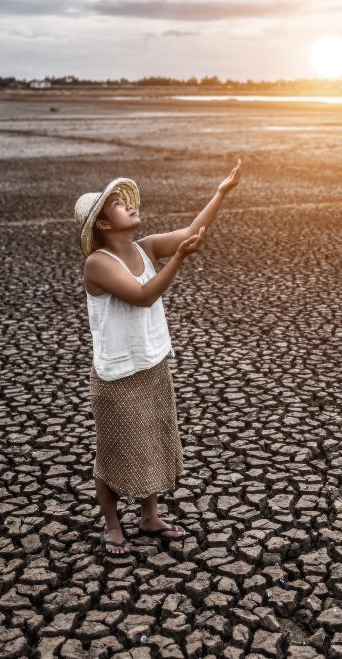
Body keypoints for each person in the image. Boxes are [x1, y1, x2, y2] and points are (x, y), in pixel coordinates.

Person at [74, 159, 243, 554]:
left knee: (153, 442)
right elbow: (144, 295)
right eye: (119, 205)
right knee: (113, 453)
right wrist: (179, 259)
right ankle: (113, 526)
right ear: (103, 224)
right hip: (117, 375)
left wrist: (221, 192)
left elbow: (191, 231)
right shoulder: (98, 263)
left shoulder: (144, 247)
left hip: (152, 364)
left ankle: (149, 518)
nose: (130, 206)